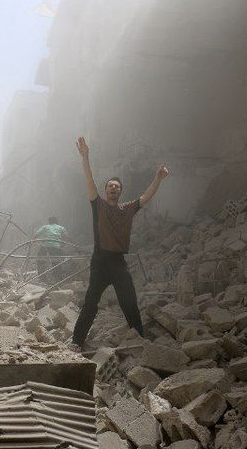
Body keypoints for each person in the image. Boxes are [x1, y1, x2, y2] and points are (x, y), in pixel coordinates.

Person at [72, 136, 169, 350]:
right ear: (105, 191)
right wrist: (85, 157)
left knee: (129, 301)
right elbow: (89, 182)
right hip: (99, 261)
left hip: (118, 263)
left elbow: (146, 196)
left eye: (116, 186)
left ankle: (140, 339)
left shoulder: (127, 209)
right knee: (90, 303)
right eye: (109, 186)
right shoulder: (98, 206)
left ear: (120, 191)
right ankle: (76, 341)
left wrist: (158, 179)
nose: (113, 188)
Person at [34, 216, 69, 282]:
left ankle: (42, 278)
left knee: (40, 259)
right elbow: (66, 237)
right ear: (56, 221)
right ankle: (57, 278)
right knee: (56, 262)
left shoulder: (45, 227)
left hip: (45, 246)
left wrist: (31, 241)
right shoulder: (61, 227)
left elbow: (36, 234)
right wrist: (62, 245)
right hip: (56, 246)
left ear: (49, 222)